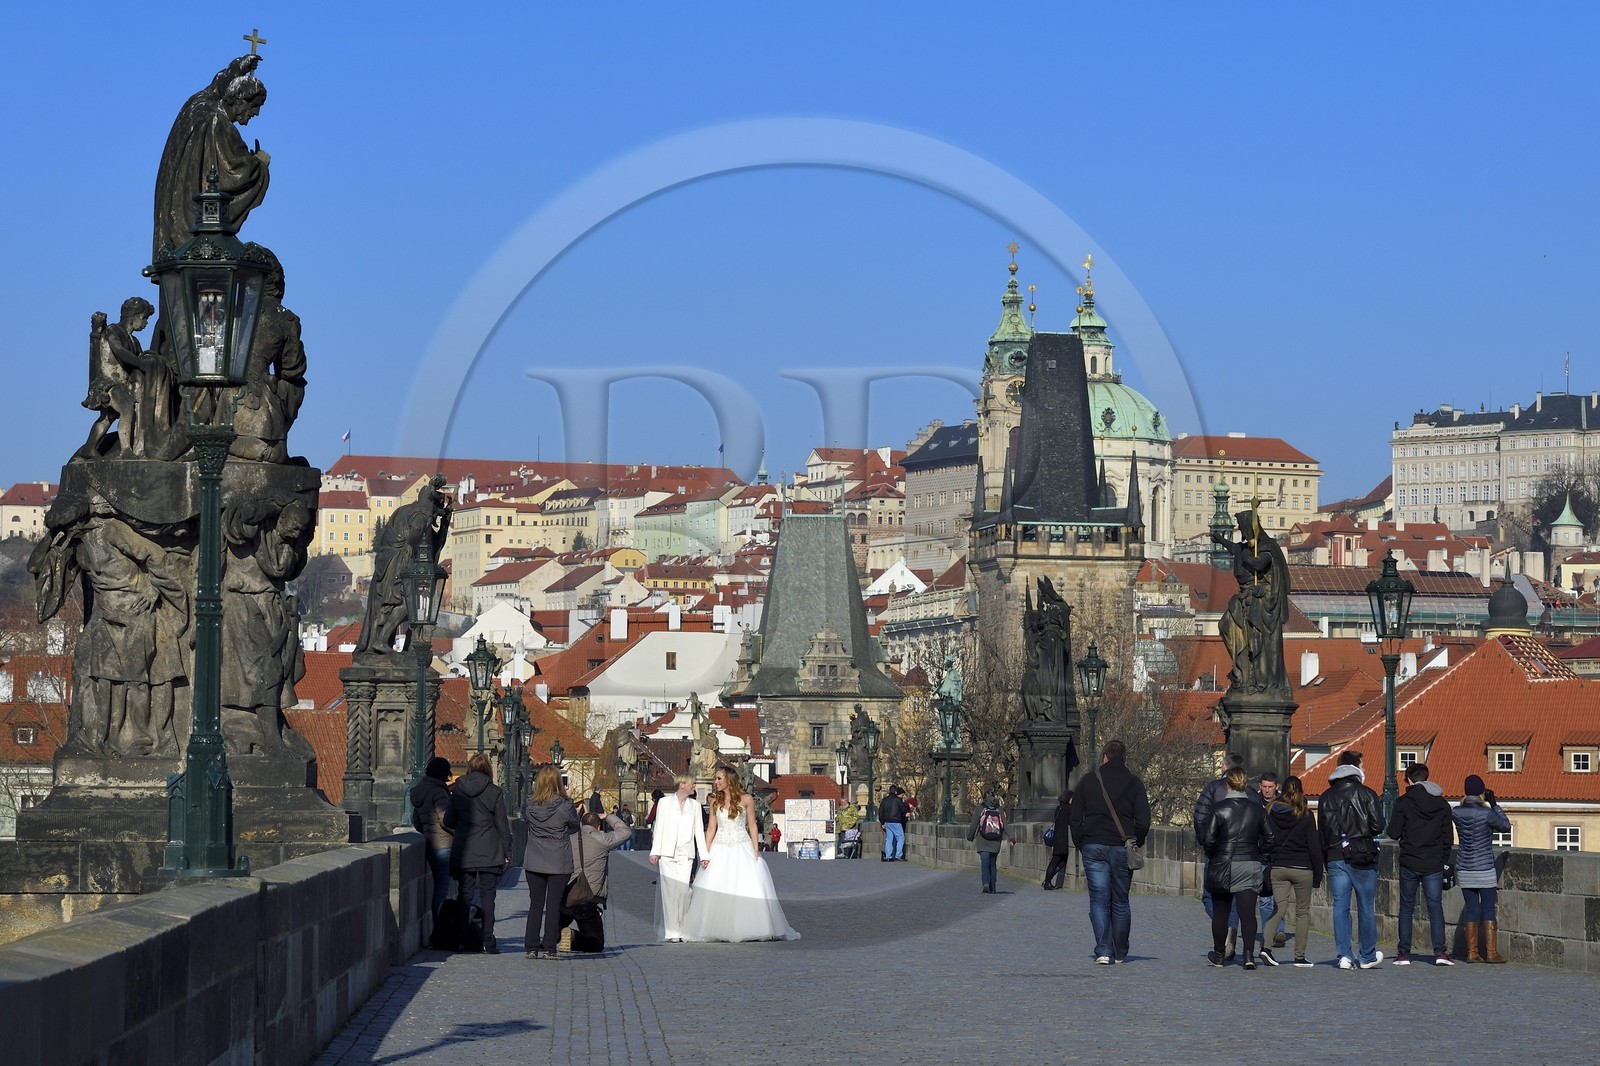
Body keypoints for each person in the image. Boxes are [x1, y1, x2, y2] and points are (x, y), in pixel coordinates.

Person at [153, 53, 270, 259]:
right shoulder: (222, 127)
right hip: (191, 223)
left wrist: (236, 68)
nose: (256, 114)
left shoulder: (199, 105)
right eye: (255, 107)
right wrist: (260, 165)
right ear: (240, 100)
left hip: (172, 213)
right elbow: (234, 173)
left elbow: (214, 88)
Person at [681, 765, 800, 942]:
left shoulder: (746, 799)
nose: (716, 782)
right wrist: (705, 853)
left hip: (741, 845)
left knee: (746, 884)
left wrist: (755, 849)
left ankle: (751, 927)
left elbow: (752, 825)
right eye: (715, 779)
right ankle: (714, 927)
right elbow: (711, 828)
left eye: (719, 778)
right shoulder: (715, 801)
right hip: (720, 846)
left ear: (729, 780)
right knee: (716, 886)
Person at [1068, 740, 1150, 964]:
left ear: (1104, 757)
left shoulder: (1089, 781)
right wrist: (1136, 841)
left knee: (1099, 900)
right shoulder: (1134, 783)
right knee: (1121, 901)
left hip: (1094, 846)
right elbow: (1143, 820)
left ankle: (1104, 950)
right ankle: (1121, 951)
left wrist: (1081, 842)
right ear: (1125, 758)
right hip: (1122, 846)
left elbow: (1075, 817)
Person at [1318, 750, 1385, 969]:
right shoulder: (1366, 793)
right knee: (1366, 905)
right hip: (1363, 855)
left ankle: (1344, 955)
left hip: (1336, 855)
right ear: (1356, 767)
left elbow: (1324, 832)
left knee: (1340, 906)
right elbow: (1378, 826)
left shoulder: (1326, 796)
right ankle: (1366, 955)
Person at [1203, 768, 1274, 969]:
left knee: (1221, 911)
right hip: (1249, 863)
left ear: (1228, 785)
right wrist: (1259, 854)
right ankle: (1249, 955)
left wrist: (1215, 854)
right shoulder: (1257, 809)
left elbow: (1209, 839)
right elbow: (1271, 838)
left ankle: (1218, 954)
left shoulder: (1219, 809)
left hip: (1223, 863)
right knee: (1248, 913)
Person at [1386, 762, 1456, 965]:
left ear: (1408, 779)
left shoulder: (1403, 802)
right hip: (1433, 863)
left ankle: (1403, 953)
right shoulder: (1442, 804)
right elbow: (1447, 839)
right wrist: (1441, 860)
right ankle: (1440, 952)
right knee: (1435, 907)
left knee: (1407, 907)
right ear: (1427, 778)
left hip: (1409, 860)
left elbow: (1393, 833)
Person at [444, 753, 511, 954]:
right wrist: (507, 852)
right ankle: (487, 941)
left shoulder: (458, 790)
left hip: (465, 849)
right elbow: (502, 825)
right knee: (488, 897)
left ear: (469, 769)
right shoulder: (495, 792)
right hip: (490, 850)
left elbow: (448, 820)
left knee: (465, 895)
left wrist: (462, 827)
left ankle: (461, 940)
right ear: (488, 769)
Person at [522, 766, 579, 960]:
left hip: (534, 858)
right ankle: (549, 948)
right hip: (558, 859)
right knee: (553, 904)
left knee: (535, 904)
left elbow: (527, 822)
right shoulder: (565, 805)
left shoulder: (529, 804)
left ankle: (531, 947)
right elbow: (575, 825)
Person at [1453, 774, 1511, 963]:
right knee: (1487, 908)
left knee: (1471, 909)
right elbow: (1505, 826)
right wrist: (1494, 804)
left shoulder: (1456, 812)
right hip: (1485, 866)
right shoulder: (1487, 814)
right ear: (1481, 792)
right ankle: (1491, 953)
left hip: (1464, 866)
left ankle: (1471, 952)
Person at [1265, 776, 1323, 967]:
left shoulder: (1272, 811)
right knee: (1302, 913)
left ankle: (1266, 948)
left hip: (1279, 866)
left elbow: (1267, 839)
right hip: (1302, 868)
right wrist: (1318, 874)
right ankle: (1299, 956)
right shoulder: (1305, 815)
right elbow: (1314, 847)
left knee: (1279, 908)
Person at [1194, 753, 1246, 958]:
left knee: (1209, 896)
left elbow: (1200, 818)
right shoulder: (1250, 792)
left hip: (1216, 853)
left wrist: (1207, 844)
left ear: (1225, 767)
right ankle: (1231, 930)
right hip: (1244, 854)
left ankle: (1223, 929)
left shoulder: (1212, 788)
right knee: (1233, 899)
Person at [649, 774, 711, 942]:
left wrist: (704, 855)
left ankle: (685, 927)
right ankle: (673, 932)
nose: (695, 786)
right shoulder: (664, 803)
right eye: (693, 783)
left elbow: (699, 831)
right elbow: (659, 827)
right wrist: (655, 852)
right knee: (669, 892)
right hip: (667, 853)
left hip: (686, 853)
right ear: (682, 784)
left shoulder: (696, 806)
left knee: (683, 891)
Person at [562, 810, 633, 953]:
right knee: (595, 943)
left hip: (566, 896)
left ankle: (550, 939)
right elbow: (625, 832)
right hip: (588, 899)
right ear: (598, 827)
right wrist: (608, 816)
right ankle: (573, 936)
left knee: (552, 935)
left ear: (581, 825)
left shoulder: (568, 840)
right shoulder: (602, 839)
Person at [409, 756, 454, 921]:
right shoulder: (439, 791)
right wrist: (459, 831)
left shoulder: (420, 791)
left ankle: (438, 927)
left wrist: (426, 832)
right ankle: (440, 928)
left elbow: (416, 820)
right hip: (443, 845)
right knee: (442, 888)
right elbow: (446, 819)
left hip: (429, 842)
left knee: (437, 886)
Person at [966, 790, 1011, 893]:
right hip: (996, 841)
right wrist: (1011, 837)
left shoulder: (980, 807)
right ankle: (993, 887)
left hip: (983, 840)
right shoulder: (998, 809)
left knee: (985, 863)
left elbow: (974, 825)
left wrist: (970, 836)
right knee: (992, 864)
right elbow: (1005, 824)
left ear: (984, 797)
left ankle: (985, 883)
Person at [1042, 789, 1073, 890]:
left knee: (1061, 861)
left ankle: (1047, 880)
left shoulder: (1059, 808)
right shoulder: (1068, 809)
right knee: (1055, 860)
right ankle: (1047, 882)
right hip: (1063, 838)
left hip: (1058, 837)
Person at [880, 785, 909, 861]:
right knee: (901, 837)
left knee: (889, 839)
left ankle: (888, 856)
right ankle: (898, 855)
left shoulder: (884, 800)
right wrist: (906, 813)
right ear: (896, 792)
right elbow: (903, 809)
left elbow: (880, 812)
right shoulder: (897, 800)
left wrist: (882, 822)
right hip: (895, 821)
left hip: (887, 822)